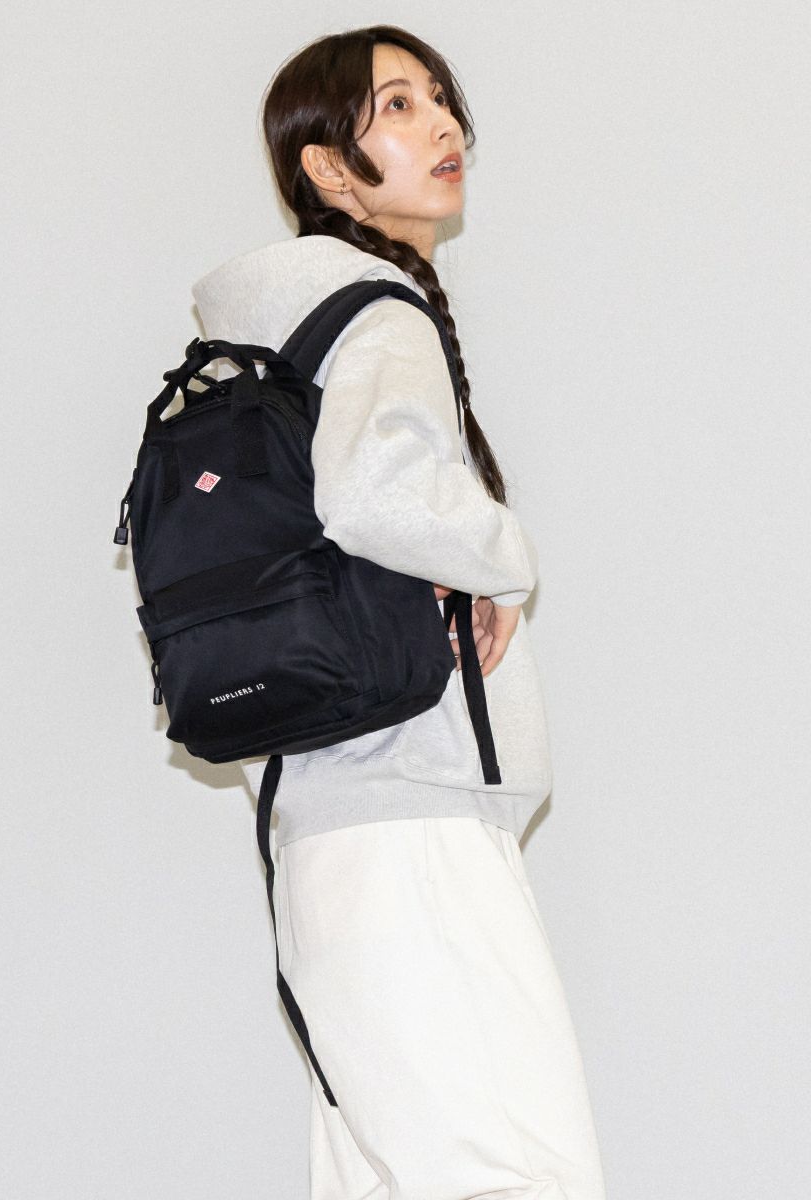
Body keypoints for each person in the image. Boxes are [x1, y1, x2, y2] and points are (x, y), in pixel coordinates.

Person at [190, 25, 608, 1200]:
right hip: (412, 821)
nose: (443, 125)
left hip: (328, 830)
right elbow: (376, 493)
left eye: (439, 98)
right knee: (513, 1172)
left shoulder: (281, 337)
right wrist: (503, 560)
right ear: (329, 169)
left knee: (386, 1177)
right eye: (397, 107)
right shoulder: (377, 315)